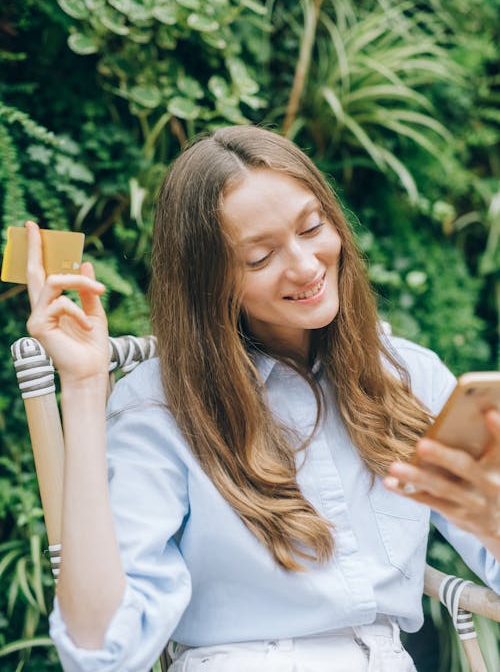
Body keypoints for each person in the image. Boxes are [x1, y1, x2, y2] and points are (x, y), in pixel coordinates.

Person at [25, 125, 500, 672]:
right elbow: (101, 650)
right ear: (211, 282)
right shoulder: (160, 410)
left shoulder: (409, 375)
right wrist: (84, 389)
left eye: (312, 227)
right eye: (259, 258)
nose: (304, 266)